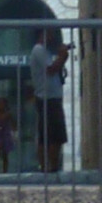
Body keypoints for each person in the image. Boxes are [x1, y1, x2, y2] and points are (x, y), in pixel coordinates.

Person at [30, 27, 67, 173]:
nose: (52, 37)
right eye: (49, 33)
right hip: (47, 98)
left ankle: (50, 165)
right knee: (52, 134)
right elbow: (51, 69)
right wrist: (62, 57)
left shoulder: (43, 51)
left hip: (51, 97)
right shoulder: (39, 50)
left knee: (52, 134)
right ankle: (49, 166)